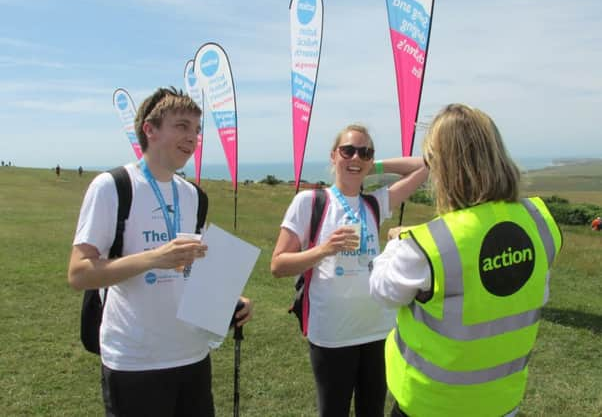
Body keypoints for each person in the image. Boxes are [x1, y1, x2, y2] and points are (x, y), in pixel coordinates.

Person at [67, 87, 253, 417]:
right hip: (135, 360)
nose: (192, 137)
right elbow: (79, 272)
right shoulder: (113, 186)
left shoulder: (195, 196)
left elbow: (192, 269)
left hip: (192, 355)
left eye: (197, 130)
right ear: (150, 130)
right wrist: (155, 257)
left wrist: (228, 300)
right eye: (181, 126)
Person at [369, 104, 563, 417]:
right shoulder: (539, 222)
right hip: (502, 401)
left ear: (443, 168)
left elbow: (382, 290)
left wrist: (398, 243)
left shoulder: (425, 247)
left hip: (429, 405)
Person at [271, 124, 428, 417]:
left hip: (378, 330)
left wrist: (370, 166)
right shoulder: (310, 202)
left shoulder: (374, 203)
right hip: (332, 335)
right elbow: (278, 265)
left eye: (364, 152)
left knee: (372, 412)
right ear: (333, 156)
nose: (355, 157)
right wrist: (324, 249)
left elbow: (426, 166)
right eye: (348, 151)